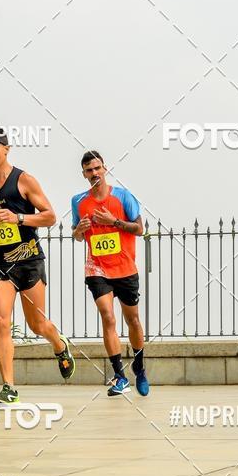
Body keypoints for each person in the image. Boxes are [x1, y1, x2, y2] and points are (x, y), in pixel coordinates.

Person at [0, 127, 75, 405]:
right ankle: (8, 387)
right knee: (1, 322)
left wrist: (19, 218)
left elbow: (50, 217)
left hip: (29, 260)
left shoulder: (24, 180)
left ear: (6, 149)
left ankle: (59, 345)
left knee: (37, 323)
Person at [71, 150, 149, 396]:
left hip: (125, 267)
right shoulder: (78, 201)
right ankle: (119, 375)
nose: (94, 173)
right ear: (83, 174)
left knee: (132, 320)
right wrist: (79, 230)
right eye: (89, 170)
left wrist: (113, 221)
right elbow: (77, 234)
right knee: (108, 316)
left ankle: (140, 367)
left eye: (97, 168)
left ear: (104, 169)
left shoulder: (124, 196)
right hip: (97, 268)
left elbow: (139, 229)